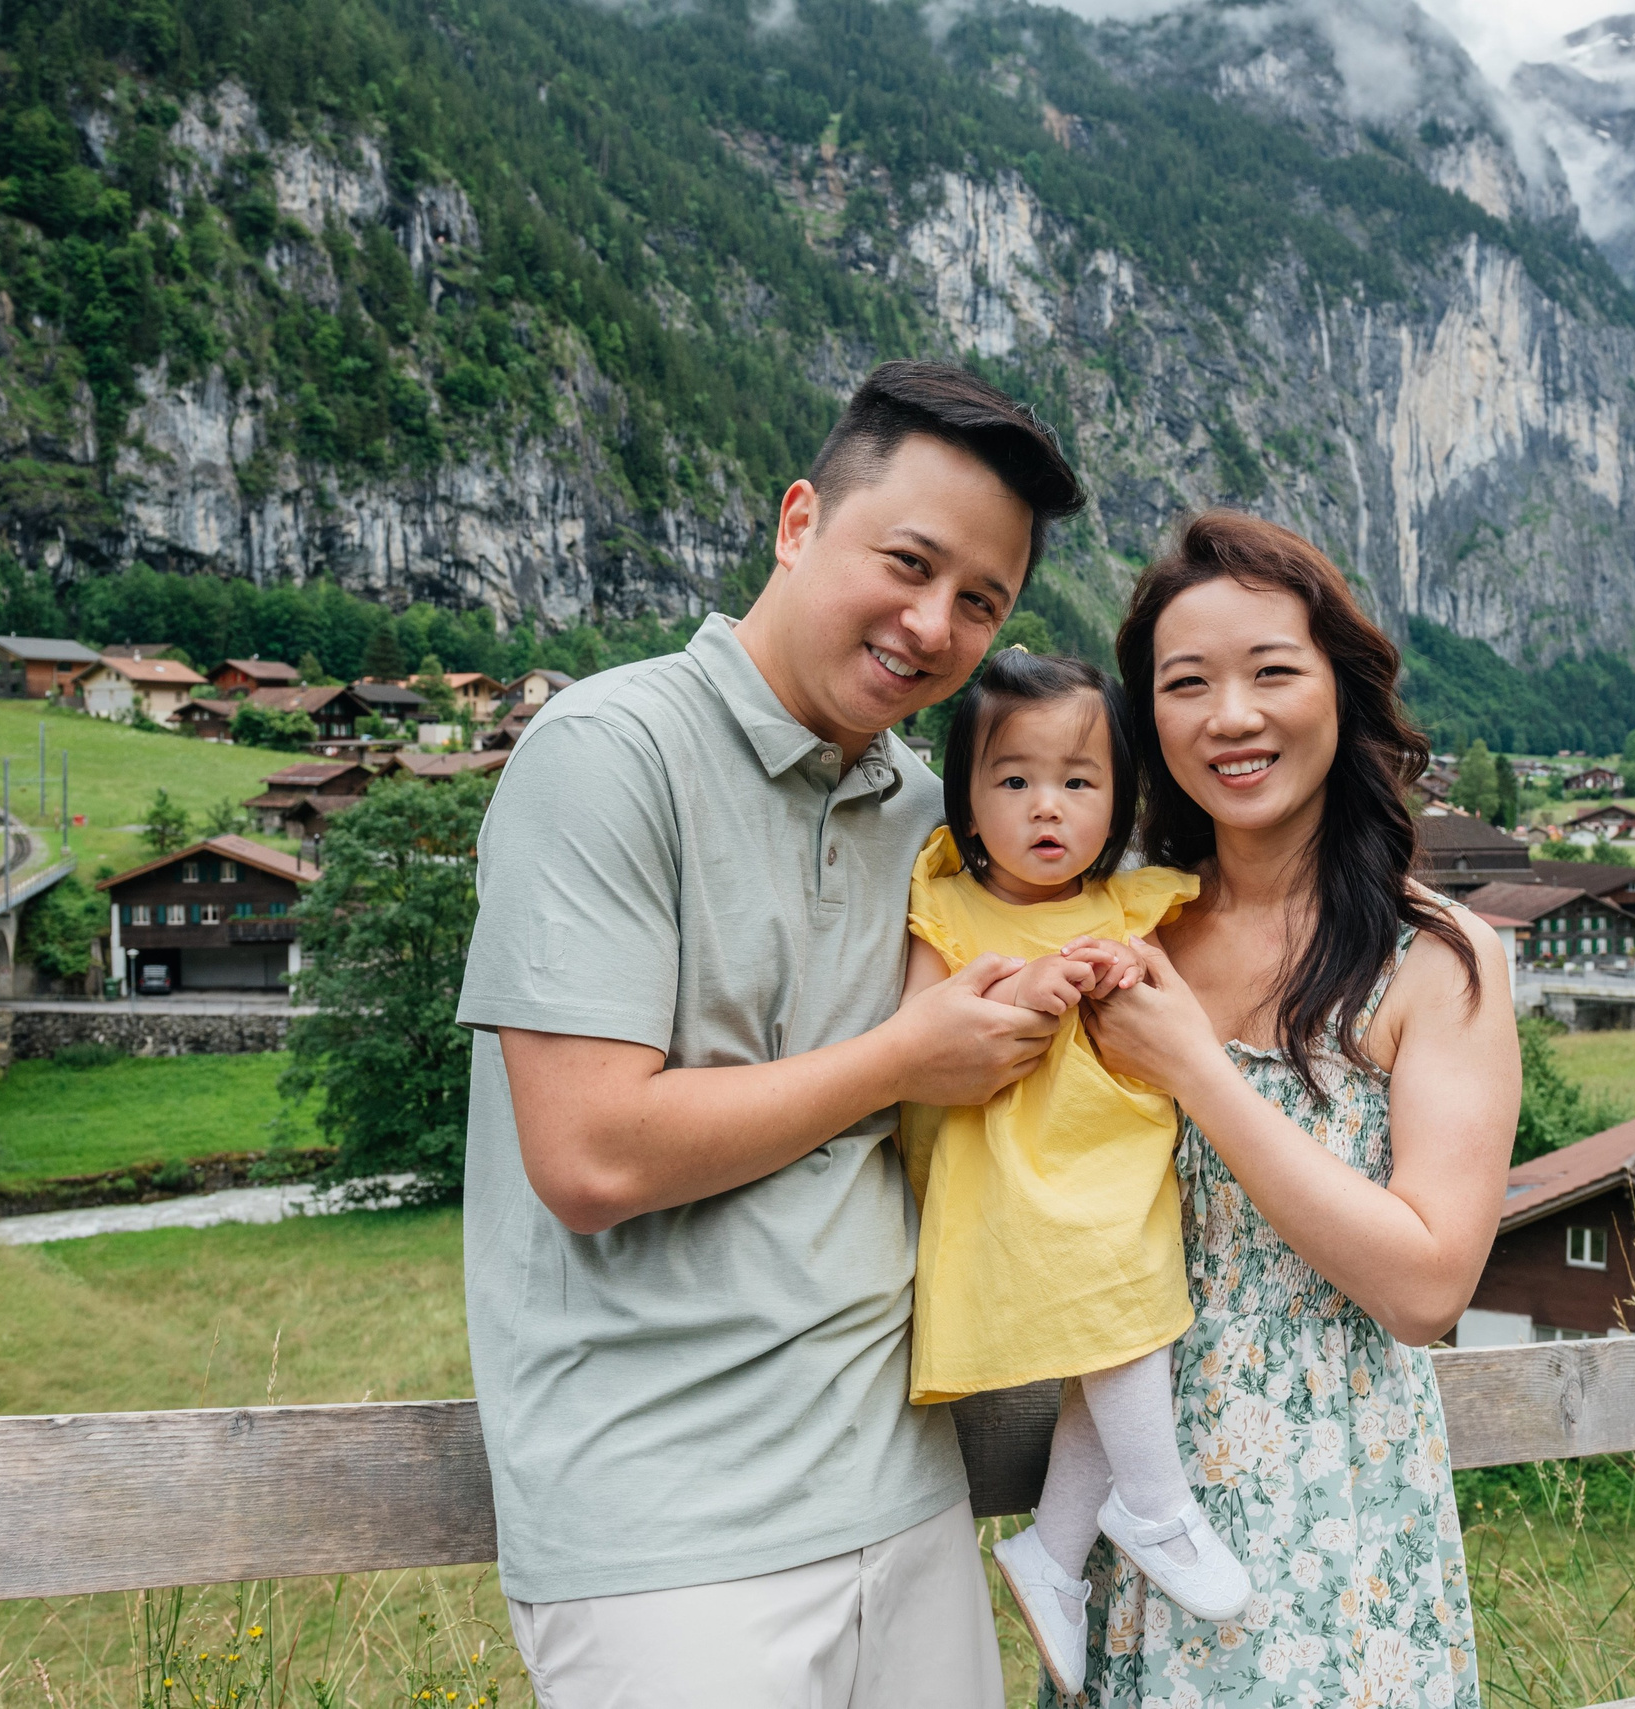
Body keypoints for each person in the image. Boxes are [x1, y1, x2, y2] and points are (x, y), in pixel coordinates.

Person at [454, 361, 1082, 1707]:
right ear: (799, 522)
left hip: (906, 1493)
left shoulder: (933, 815)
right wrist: (903, 1060)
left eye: (982, 600)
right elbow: (588, 1154)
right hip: (662, 1533)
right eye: (907, 563)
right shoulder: (607, 751)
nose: (932, 625)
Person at [1067, 510, 1521, 1707]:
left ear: (1342, 689)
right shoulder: (1122, 932)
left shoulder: (1439, 960)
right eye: (1187, 683)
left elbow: (1428, 1286)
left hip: (1340, 1520)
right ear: (1145, 718)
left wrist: (1200, 1071)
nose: (1231, 716)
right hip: (1141, 1496)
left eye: (1272, 670)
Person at [895, 649, 1251, 1696]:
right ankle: (1153, 1502)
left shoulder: (1132, 905)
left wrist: (1129, 967)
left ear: (1118, 797)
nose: (1046, 807)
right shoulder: (951, 904)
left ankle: (1051, 1556)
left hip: (1119, 1169)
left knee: (1118, 1338)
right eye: (1013, 781)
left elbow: (1182, 1020)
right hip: (1016, 1177)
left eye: (1078, 782)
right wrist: (1033, 983)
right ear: (964, 795)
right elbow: (913, 1040)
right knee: (1118, 1319)